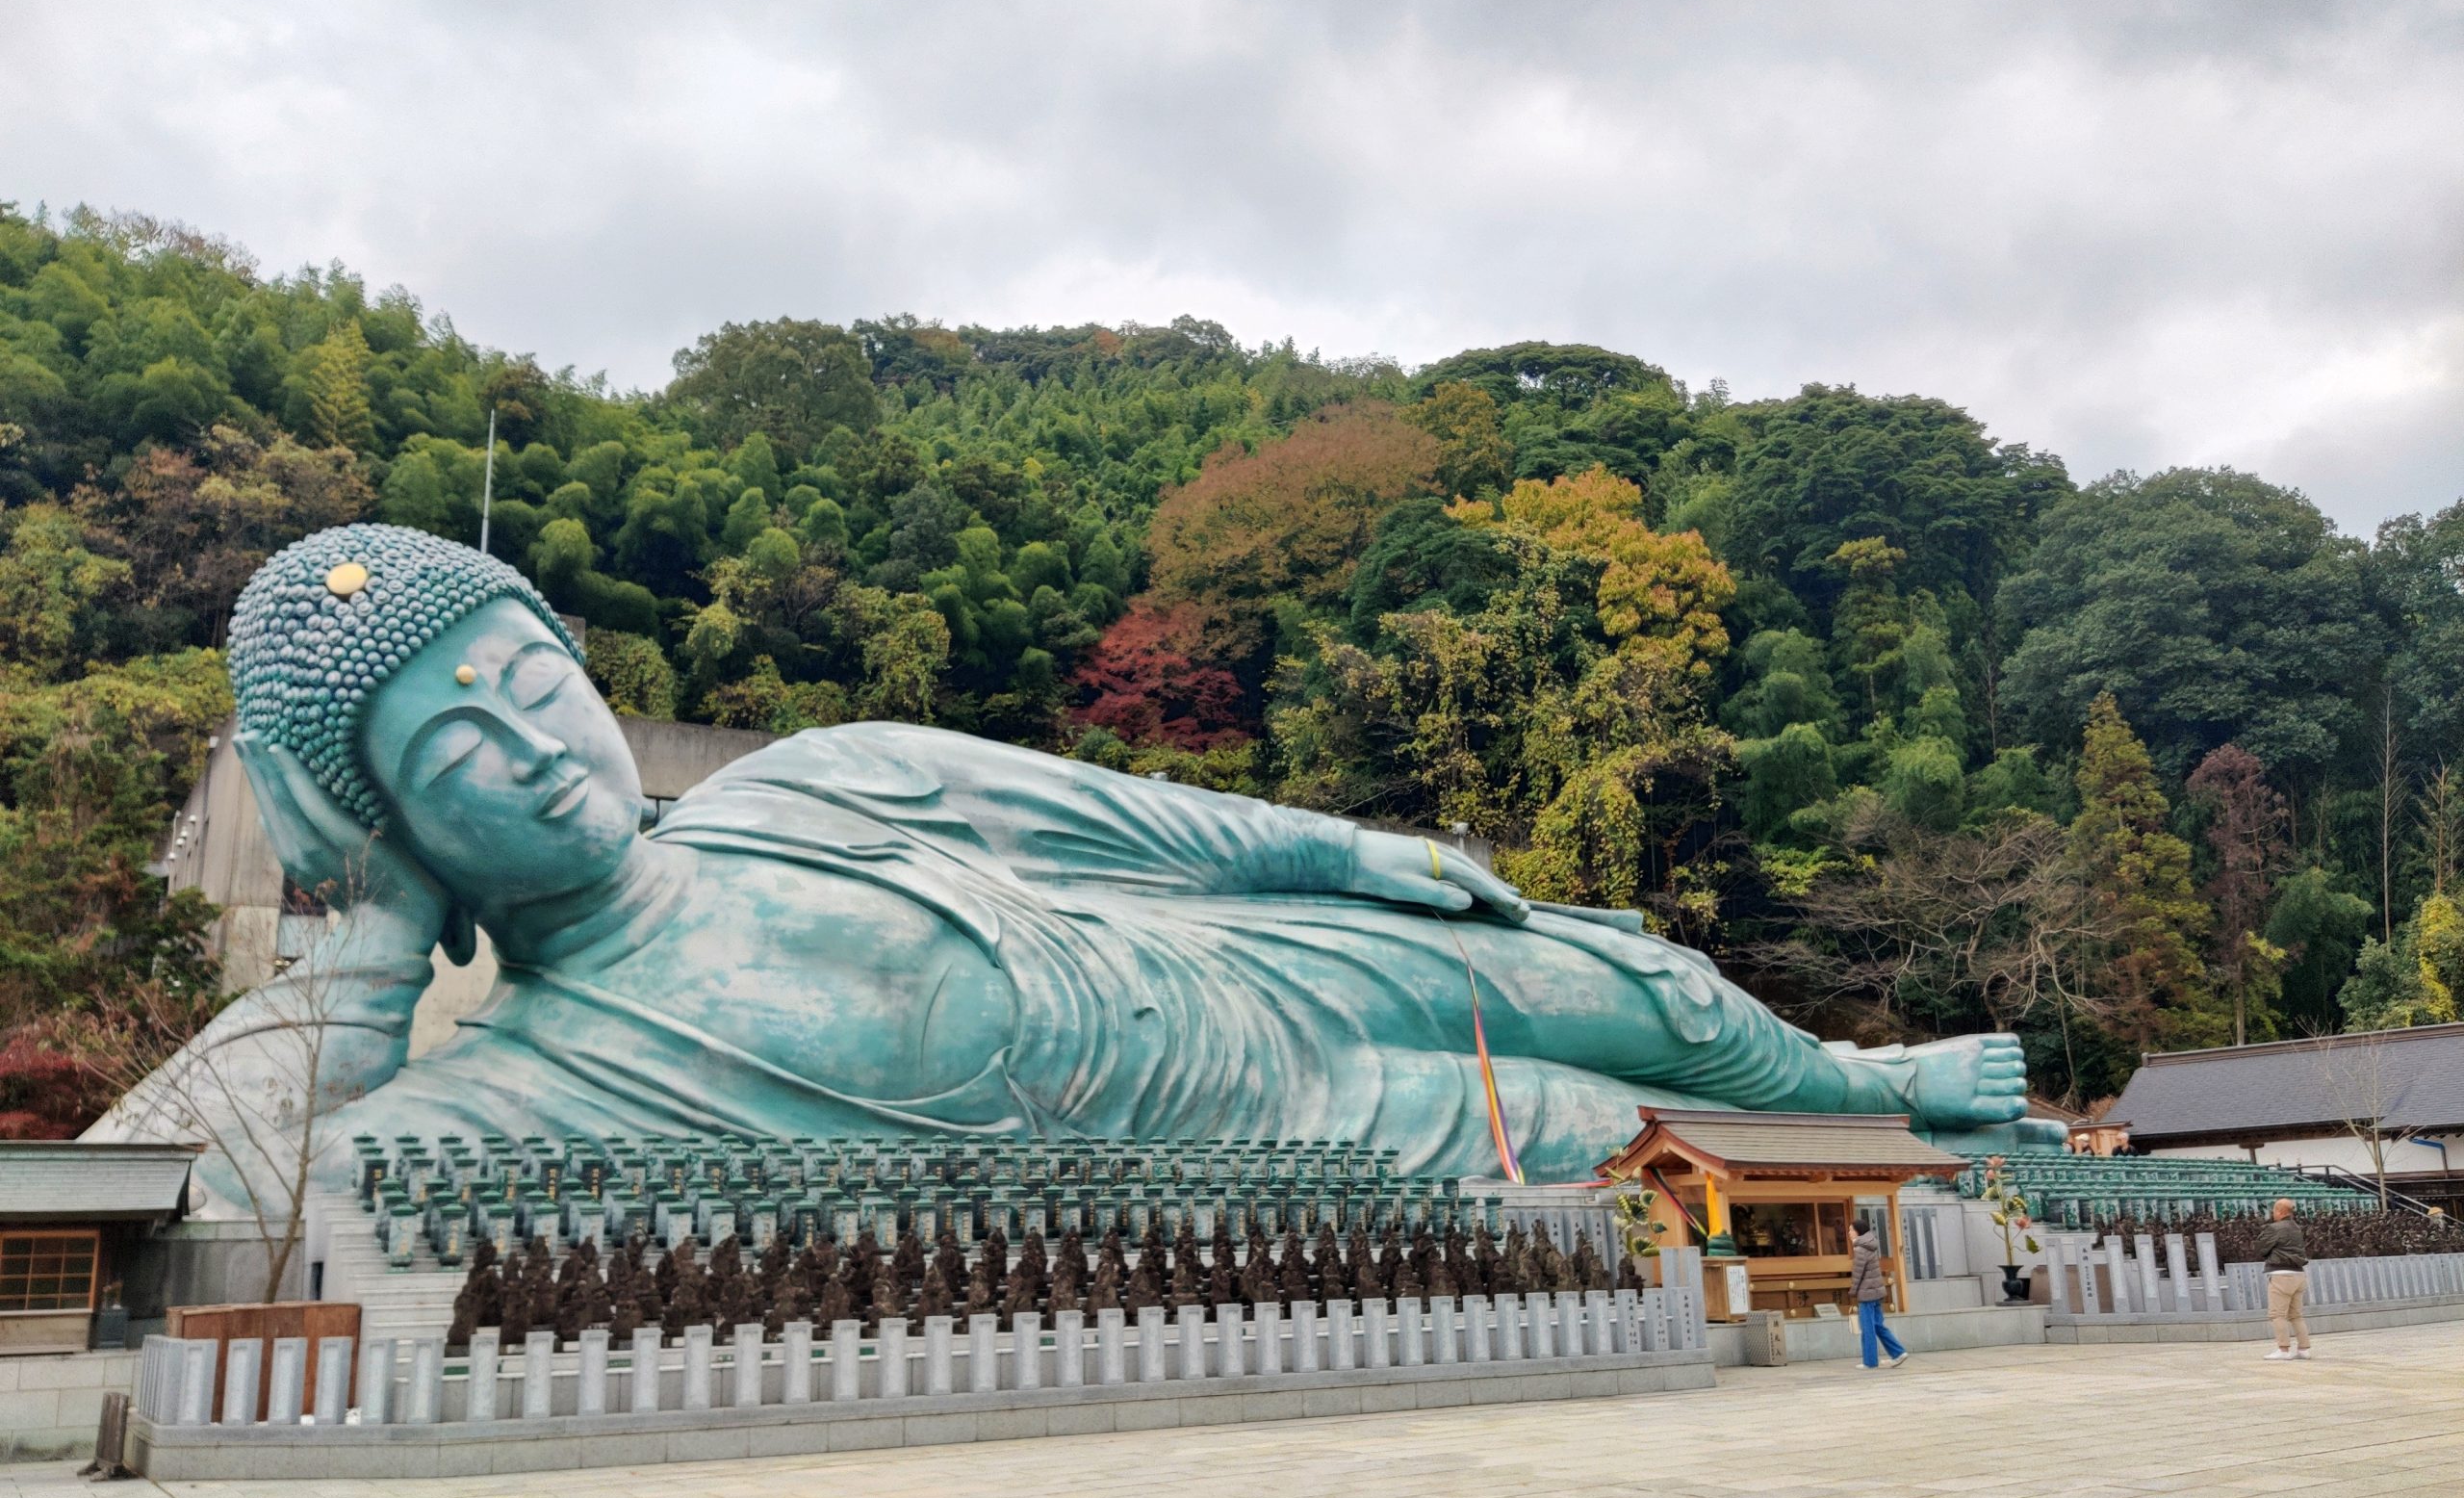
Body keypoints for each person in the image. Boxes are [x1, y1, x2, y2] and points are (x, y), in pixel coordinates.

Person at [89, 525, 2052, 1209]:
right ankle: (1860, 1151)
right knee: (1585, 1112)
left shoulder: (821, 777)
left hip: (1234, 963)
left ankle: (1877, 1084)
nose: (530, 749)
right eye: (454, 752)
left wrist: (1351, 846)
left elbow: (1126, 817)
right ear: (402, 824)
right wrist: (366, 960)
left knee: (1612, 972)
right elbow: (220, 1188)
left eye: (531, 680)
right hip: (1269, 1127)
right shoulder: (542, 1065)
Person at [2257, 1197, 2311, 1360]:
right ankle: (2304, 1349)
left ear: (2280, 1211)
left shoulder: (2274, 1228)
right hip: (2298, 1274)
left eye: (2274, 1210)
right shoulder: (2297, 1228)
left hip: (2281, 1274)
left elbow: (2260, 1248)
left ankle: (2283, 1349)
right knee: (2296, 1315)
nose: (2272, 1213)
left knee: (2277, 1314)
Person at [1850, 1215, 1906, 1369]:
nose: (1849, 1233)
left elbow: (1858, 1273)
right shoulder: (1870, 1245)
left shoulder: (1860, 1249)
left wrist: (1853, 1291)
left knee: (1868, 1328)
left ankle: (1870, 1362)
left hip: (1866, 1293)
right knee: (1878, 1326)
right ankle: (1898, 1352)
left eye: (1851, 1230)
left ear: (1858, 1232)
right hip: (1876, 1292)